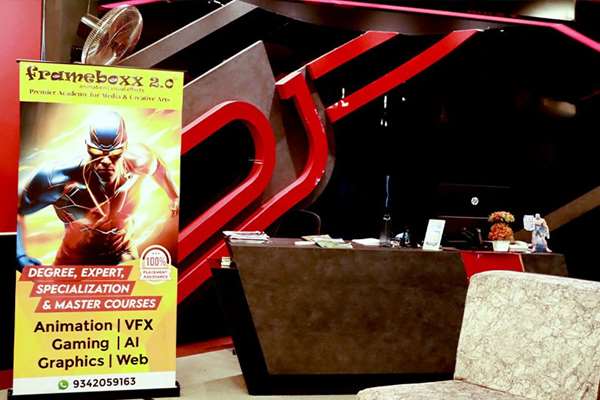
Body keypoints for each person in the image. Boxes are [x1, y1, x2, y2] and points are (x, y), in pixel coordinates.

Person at [17, 111, 179, 270]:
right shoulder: (58, 179)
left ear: (125, 147)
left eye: (114, 153)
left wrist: (174, 195)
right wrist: (19, 256)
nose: (106, 161)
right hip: (74, 263)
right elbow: (15, 209)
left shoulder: (139, 162)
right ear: (87, 147)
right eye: (97, 153)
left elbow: (159, 167)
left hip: (124, 255)